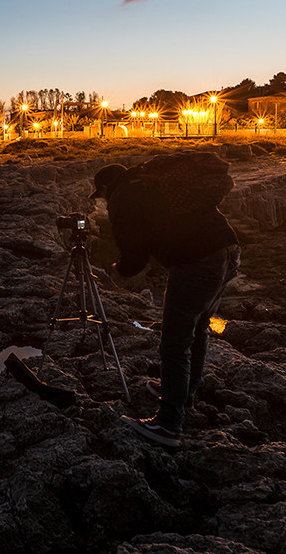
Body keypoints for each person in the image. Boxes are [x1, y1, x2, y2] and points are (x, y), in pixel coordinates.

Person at [90, 156, 240, 448]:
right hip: (228, 249)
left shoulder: (123, 197)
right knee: (198, 328)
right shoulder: (148, 183)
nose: (102, 202)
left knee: (174, 342)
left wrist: (118, 271)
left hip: (198, 261)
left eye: (101, 195)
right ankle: (184, 394)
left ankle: (169, 424)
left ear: (106, 187)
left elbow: (135, 252)